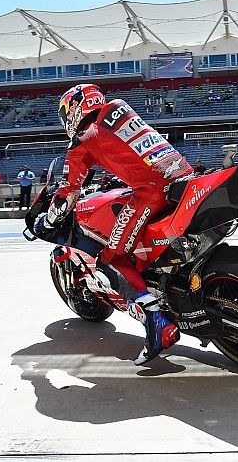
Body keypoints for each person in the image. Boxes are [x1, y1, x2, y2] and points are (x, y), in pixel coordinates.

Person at [37, 83, 193, 364]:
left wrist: (49, 218)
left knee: (111, 259)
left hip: (151, 190)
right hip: (183, 175)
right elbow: (130, 151)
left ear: (74, 108)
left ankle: (157, 322)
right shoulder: (120, 107)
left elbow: (69, 192)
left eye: (65, 113)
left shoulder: (82, 139)